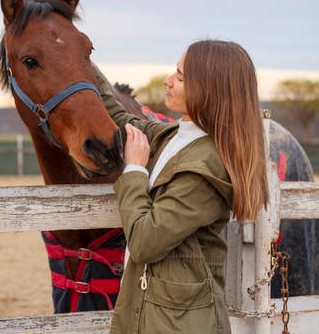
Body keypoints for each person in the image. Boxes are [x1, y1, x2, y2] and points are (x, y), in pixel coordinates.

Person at [93, 39, 269, 334]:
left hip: (179, 325)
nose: (168, 80)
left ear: (207, 89)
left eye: (180, 76)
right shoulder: (174, 136)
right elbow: (123, 120)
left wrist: (135, 169)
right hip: (156, 314)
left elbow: (144, 242)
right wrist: (83, 62)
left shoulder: (205, 169)